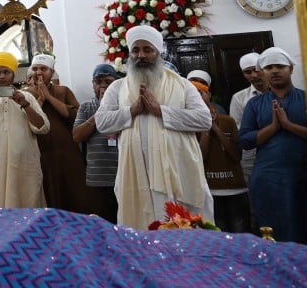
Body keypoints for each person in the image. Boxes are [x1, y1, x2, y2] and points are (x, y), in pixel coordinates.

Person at [95, 25, 213, 230]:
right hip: (135, 173)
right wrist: (132, 110)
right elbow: (102, 122)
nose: (141, 55)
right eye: (136, 50)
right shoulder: (117, 87)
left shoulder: (183, 85)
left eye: (147, 49)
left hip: (178, 172)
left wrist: (161, 111)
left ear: (158, 52)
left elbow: (204, 119)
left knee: (183, 231)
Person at [238, 47, 307, 243]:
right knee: (272, 235)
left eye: (280, 66)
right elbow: (245, 141)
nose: (274, 71)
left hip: (304, 176)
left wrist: (289, 126)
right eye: (269, 67)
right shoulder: (255, 104)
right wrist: (273, 127)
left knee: (300, 231)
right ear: (262, 72)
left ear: (291, 69)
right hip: (268, 179)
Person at [0, 51, 49, 208]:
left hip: (24, 165)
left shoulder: (28, 97)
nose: (2, 76)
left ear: (13, 74)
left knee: (27, 203)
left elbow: (43, 127)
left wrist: (25, 105)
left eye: (6, 72)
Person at [26, 53, 90, 214]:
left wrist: (48, 97)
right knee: (48, 194)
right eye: (35, 68)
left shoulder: (63, 91)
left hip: (67, 153)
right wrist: (39, 101)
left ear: (52, 71)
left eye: (44, 68)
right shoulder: (25, 95)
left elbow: (74, 116)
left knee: (75, 193)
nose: (39, 72)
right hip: (40, 153)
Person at [192, 80, 250, 233]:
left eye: (200, 93)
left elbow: (236, 155)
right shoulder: (190, 125)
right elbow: (200, 158)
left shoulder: (227, 121)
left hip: (235, 187)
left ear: (209, 94)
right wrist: (206, 128)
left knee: (241, 231)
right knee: (219, 232)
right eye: (192, 94)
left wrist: (216, 128)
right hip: (210, 190)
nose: (196, 97)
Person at [73, 63, 121, 223]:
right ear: (93, 84)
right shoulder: (86, 107)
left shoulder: (124, 105)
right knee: (101, 222)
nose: (103, 86)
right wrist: (100, 113)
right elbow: (77, 136)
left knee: (124, 220)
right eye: (98, 81)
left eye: (108, 81)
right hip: (97, 177)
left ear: (116, 83)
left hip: (123, 175)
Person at [229, 52, 267, 181]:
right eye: (248, 72)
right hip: (251, 156)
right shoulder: (239, 98)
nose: (254, 75)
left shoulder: (279, 92)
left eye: (257, 70)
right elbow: (238, 131)